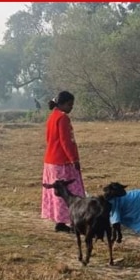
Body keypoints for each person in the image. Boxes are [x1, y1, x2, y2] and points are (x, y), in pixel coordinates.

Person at [41, 91, 85, 233]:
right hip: (63, 161)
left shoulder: (52, 116)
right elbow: (66, 141)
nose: (71, 107)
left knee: (58, 192)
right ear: (61, 104)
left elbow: (49, 139)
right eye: (69, 104)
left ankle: (59, 221)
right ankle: (73, 221)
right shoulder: (63, 118)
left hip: (51, 160)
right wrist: (74, 159)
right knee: (70, 192)